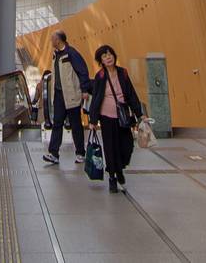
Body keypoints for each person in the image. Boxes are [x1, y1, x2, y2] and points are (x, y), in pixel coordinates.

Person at [86, 44, 143, 194]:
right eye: (104, 56)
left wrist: (139, 113)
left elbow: (131, 94)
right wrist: (93, 120)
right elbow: (96, 98)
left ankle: (120, 168)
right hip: (106, 116)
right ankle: (113, 176)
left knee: (127, 145)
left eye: (109, 54)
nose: (108, 57)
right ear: (101, 61)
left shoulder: (122, 73)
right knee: (110, 147)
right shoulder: (100, 76)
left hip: (123, 116)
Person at [43, 30, 91, 166]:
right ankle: (53, 153)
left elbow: (82, 71)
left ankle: (80, 153)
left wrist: (84, 89)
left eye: (53, 39)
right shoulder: (55, 55)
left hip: (71, 95)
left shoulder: (71, 54)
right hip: (59, 95)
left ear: (59, 40)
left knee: (76, 124)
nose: (51, 41)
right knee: (57, 123)